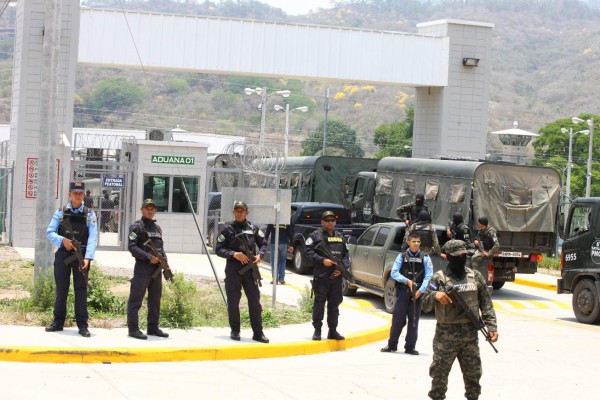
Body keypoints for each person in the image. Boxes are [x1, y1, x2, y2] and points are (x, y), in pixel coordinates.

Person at [422, 240, 499, 400]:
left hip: (470, 337)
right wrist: (435, 296)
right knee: (439, 380)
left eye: (464, 255)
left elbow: (486, 304)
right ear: (448, 257)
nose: (461, 259)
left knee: (473, 380)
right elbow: (424, 304)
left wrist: (492, 327)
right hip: (445, 338)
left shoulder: (475, 277)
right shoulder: (439, 279)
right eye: (457, 256)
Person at [45, 181, 98, 337]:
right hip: (63, 255)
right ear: (69, 194)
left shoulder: (89, 214)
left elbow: (93, 237)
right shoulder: (60, 212)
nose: (77, 195)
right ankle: (58, 322)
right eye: (74, 193)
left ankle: (82, 325)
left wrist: (88, 258)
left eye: (80, 193)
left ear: (84, 194)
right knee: (62, 289)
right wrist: (63, 241)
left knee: (81, 291)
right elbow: (49, 232)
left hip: (81, 256)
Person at [215, 201, 269, 343]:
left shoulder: (253, 228)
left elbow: (263, 243)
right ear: (233, 212)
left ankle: (258, 333)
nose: (239, 213)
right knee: (233, 301)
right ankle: (235, 330)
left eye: (242, 211)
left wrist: (260, 255)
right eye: (237, 211)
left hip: (250, 271)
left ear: (247, 213)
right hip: (234, 270)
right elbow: (218, 249)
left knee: (255, 302)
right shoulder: (227, 229)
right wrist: (234, 254)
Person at [381, 232, 433, 355]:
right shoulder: (401, 256)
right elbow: (394, 273)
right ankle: (392, 345)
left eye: (418, 242)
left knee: (413, 321)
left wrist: (421, 290)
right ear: (408, 242)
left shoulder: (425, 257)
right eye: (413, 241)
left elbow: (429, 275)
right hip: (403, 291)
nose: (416, 244)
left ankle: (410, 347)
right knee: (398, 320)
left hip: (418, 293)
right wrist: (407, 281)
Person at [126, 199, 169, 340]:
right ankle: (133, 329)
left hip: (156, 269)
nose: (150, 211)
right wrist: (148, 257)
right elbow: (132, 247)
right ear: (142, 210)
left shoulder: (157, 229)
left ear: (155, 210)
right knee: (136, 299)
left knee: (155, 299)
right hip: (143, 268)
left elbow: (161, 248)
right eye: (147, 208)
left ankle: (153, 327)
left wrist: (165, 263)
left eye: (152, 208)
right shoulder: (136, 227)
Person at [305, 210, 350, 341]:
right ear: (322, 222)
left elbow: (346, 255)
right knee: (319, 304)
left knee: (334, 305)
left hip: (336, 277)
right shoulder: (315, 236)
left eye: (332, 220)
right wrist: (321, 260)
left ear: (335, 222)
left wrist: (342, 268)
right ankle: (317, 331)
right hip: (322, 276)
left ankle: (333, 331)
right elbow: (307, 251)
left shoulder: (340, 237)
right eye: (327, 220)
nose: (330, 222)